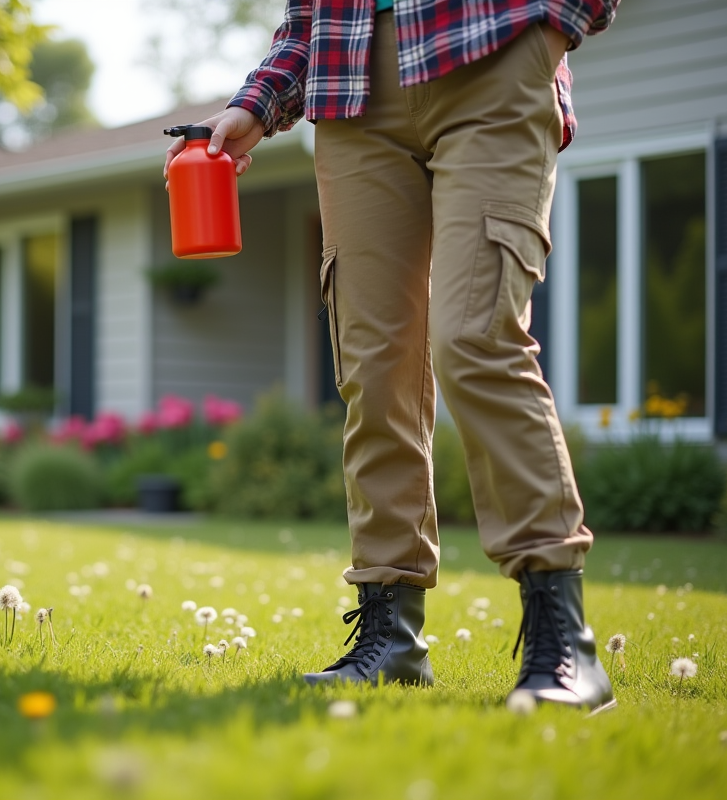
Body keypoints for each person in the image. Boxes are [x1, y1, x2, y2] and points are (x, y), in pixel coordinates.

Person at [165, 0, 620, 712]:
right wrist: (258, 102)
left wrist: (557, 19)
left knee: (475, 336)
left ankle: (563, 638)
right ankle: (391, 636)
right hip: (352, 92)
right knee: (375, 369)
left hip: (489, 46)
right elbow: (306, 17)